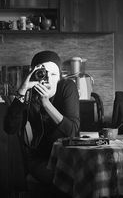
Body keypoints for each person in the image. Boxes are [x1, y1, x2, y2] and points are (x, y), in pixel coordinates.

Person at [4, 50, 80, 185]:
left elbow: (72, 131)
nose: (49, 79)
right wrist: (23, 89)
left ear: (60, 77)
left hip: (68, 158)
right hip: (40, 159)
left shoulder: (67, 87)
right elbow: (10, 128)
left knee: (81, 176)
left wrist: (46, 103)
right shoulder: (28, 93)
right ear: (33, 74)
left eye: (54, 74)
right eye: (43, 74)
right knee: (65, 179)